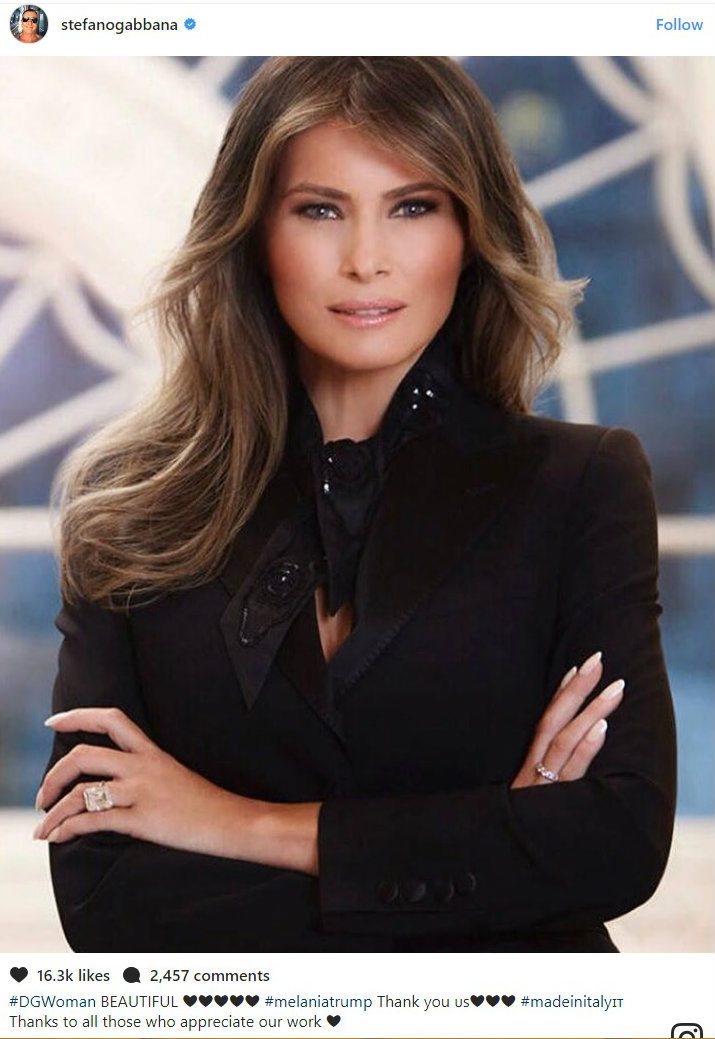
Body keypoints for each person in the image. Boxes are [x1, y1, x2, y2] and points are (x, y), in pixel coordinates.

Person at [35, 57, 676, 953]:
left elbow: (613, 843)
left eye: (412, 208)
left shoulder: (581, 483)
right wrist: (494, 851)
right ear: (254, 233)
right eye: (319, 210)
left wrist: (225, 821)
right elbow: (106, 905)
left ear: (470, 230)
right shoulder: (128, 510)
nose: (366, 259)